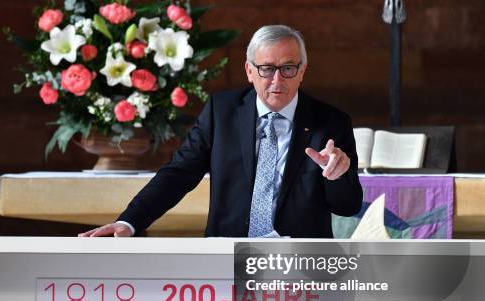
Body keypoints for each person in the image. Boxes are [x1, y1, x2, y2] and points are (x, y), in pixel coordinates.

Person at [80, 24, 362, 238]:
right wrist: (130, 222)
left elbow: (347, 206)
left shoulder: (331, 123)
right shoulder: (222, 112)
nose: (277, 80)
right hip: (227, 255)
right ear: (249, 71)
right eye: (266, 69)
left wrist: (337, 177)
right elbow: (179, 173)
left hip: (301, 264)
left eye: (288, 68)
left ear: (302, 71)